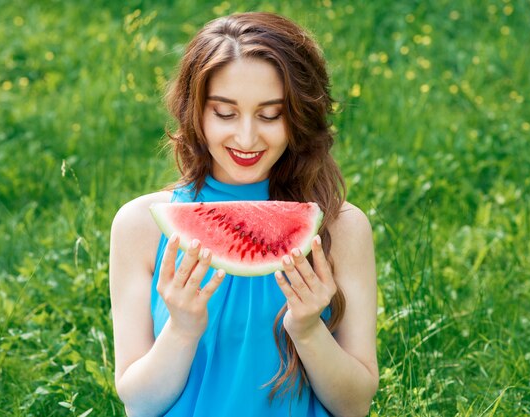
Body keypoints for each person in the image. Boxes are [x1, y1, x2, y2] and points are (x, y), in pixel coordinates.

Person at [109, 12, 378, 417]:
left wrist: (307, 330)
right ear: (195, 111)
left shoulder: (342, 227)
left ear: (299, 116)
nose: (248, 138)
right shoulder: (140, 226)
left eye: (271, 115)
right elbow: (140, 405)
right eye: (225, 113)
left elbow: (354, 405)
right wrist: (182, 330)